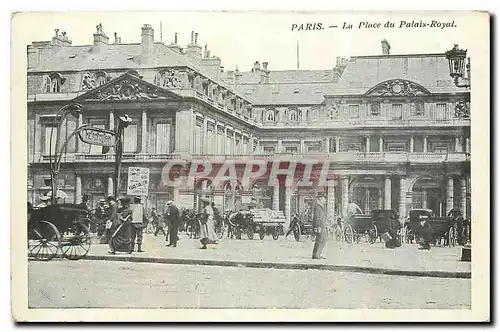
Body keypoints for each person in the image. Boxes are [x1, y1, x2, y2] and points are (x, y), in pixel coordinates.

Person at [312, 192, 328, 259]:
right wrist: (317, 226)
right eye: (324, 198)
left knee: (322, 239)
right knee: (320, 239)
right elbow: (316, 217)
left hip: (322, 226)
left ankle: (317, 254)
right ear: (320, 198)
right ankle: (316, 255)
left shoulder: (320, 206)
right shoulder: (317, 207)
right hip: (320, 226)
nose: (325, 200)